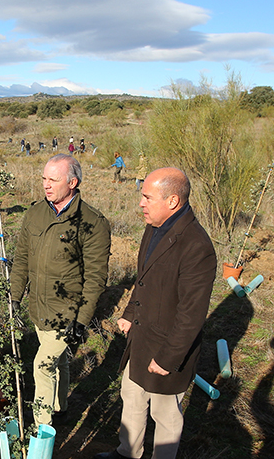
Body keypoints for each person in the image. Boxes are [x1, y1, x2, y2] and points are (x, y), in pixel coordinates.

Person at [94, 168, 216, 459]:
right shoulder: (155, 227)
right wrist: (129, 311)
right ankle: (127, 453)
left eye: (147, 197)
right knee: (132, 399)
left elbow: (192, 314)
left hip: (167, 348)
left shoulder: (197, 246)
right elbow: (143, 279)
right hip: (140, 336)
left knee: (166, 414)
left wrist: (168, 357)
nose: (141, 203)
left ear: (172, 200)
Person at [11, 154, 111, 426]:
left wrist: (81, 320)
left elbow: (95, 278)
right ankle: (60, 406)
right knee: (58, 362)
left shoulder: (92, 222)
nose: (46, 185)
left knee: (42, 366)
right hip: (39, 308)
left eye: (53, 180)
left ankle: (40, 430)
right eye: (44, 178)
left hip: (66, 312)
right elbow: (21, 259)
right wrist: (14, 297)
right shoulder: (35, 213)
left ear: (73, 182)